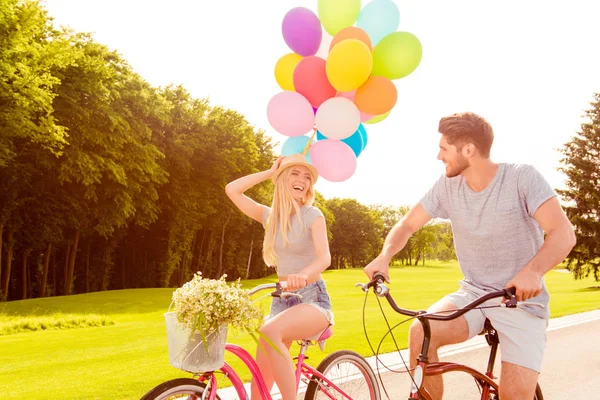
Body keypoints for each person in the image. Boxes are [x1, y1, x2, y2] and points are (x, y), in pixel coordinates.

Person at [364, 111, 576, 400]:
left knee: (514, 396)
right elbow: (408, 224)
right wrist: (384, 256)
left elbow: (563, 232)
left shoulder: (521, 178)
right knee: (421, 330)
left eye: (444, 148)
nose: (439, 156)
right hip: (474, 294)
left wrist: (533, 272)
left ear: (468, 150)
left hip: (521, 303)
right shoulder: (447, 185)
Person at [225, 153, 334, 400]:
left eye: (307, 177)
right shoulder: (269, 217)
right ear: (282, 178)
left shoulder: (313, 215)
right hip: (281, 302)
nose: (302, 180)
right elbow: (232, 190)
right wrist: (268, 173)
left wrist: (303, 275)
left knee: (268, 331)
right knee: (259, 388)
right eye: (295, 173)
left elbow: (324, 259)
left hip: (313, 299)